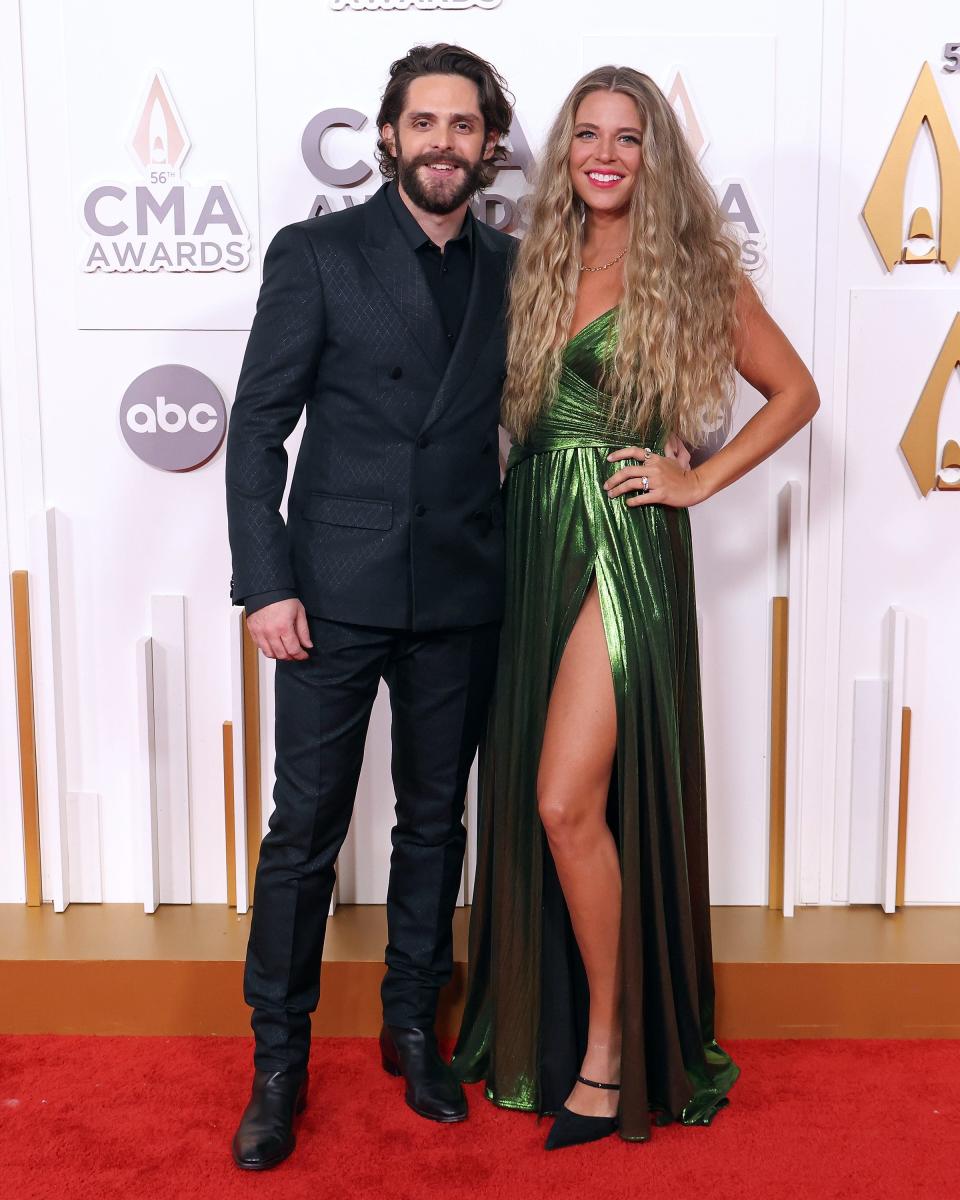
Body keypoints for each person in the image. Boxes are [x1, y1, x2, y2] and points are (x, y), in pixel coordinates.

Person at [453, 65, 820, 1150]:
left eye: (630, 137)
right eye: (588, 135)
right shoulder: (530, 265)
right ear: (564, 150)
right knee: (551, 803)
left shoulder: (694, 270)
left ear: (657, 155)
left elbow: (796, 393)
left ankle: (611, 1048)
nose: (606, 154)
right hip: (533, 536)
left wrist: (699, 479)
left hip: (622, 542)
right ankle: (556, 1025)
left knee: (568, 802)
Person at [224, 44, 517, 1170]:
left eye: (463, 125)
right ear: (387, 136)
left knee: (435, 824)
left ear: (489, 144)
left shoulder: (512, 266)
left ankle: (412, 1031)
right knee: (305, 834)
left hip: (460, 587)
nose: (442, 142)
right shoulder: (319, 254)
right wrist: (267, 582)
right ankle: (279, 1062)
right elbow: (257, 429)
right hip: (330, 594)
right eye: (422, 123)